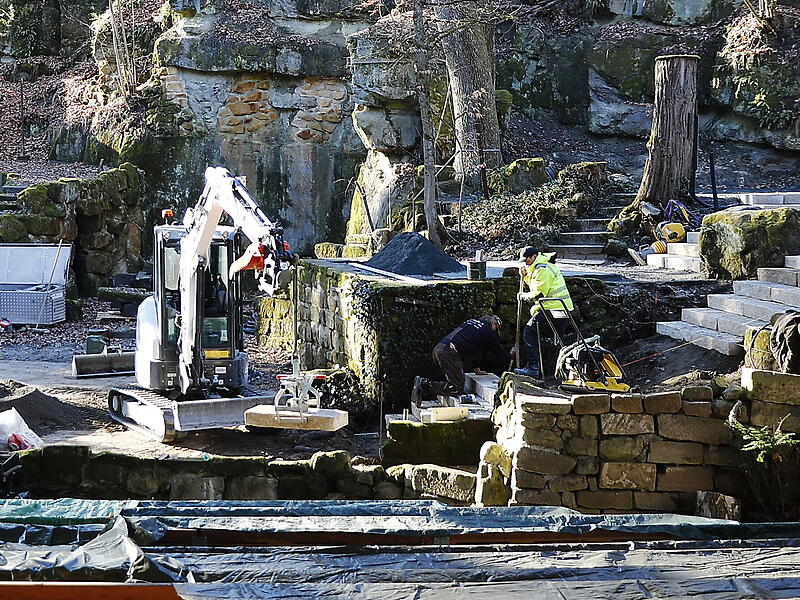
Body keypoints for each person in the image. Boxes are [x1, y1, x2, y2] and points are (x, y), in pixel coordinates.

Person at [411, 315, 506, 405]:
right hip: (449, 353)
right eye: (496, 329)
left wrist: (476, 369)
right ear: (494, 324)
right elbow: (497, 352)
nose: (495, 332)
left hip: (439, 348)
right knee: (456, 388)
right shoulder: (488, 331)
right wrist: (510, 355)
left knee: (451, 383)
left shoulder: (472, 324)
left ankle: (423, 386)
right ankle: (423, 384)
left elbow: (477, 349)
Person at [514, 246, 574, 379]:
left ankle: (533, 368)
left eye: (527, 260)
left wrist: (523, 296)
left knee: (529, 332)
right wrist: (524, 276)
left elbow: (539, 293)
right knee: (557, 342)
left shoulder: (542, 269)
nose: (525, 263)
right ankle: (557, 373)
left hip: (551, 308)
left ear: (534, 256)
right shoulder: (542, 266)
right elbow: (536, 283)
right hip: (562, 309)